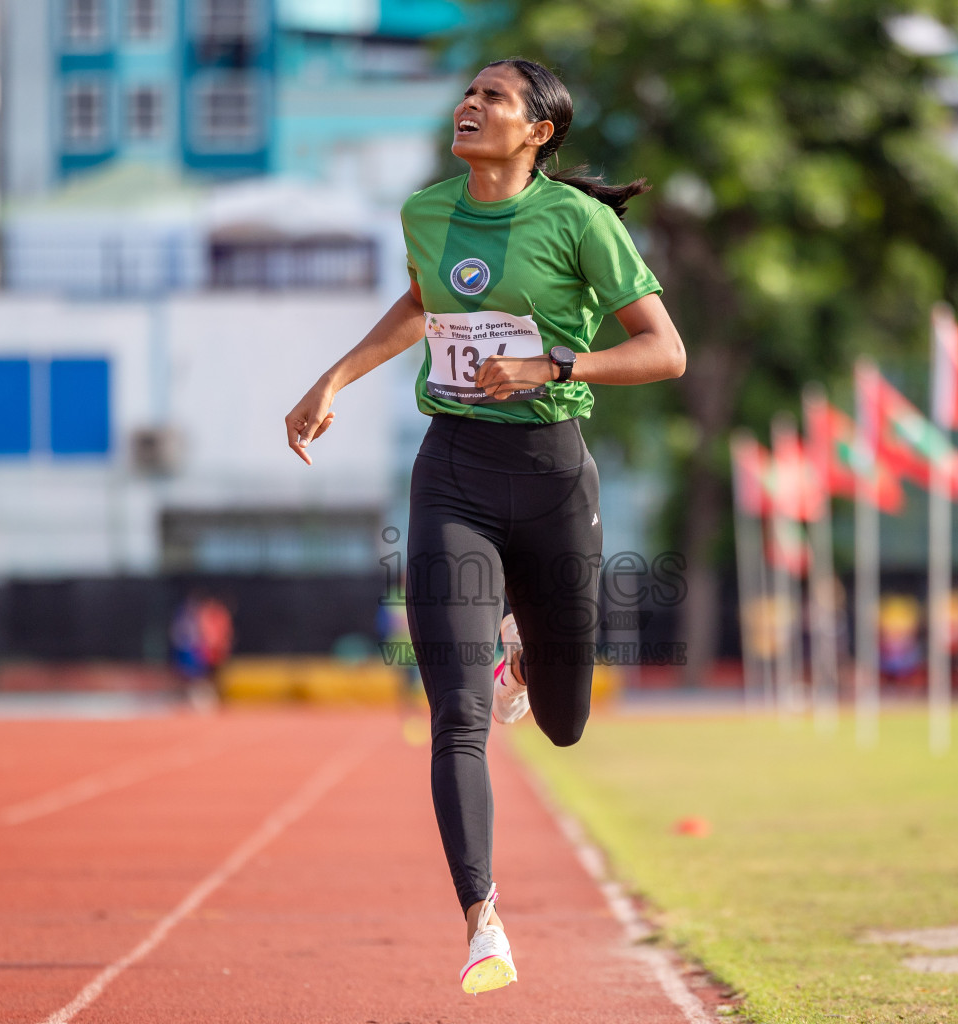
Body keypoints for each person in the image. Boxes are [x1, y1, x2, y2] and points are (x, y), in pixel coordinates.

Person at [285, 58, 685, 994]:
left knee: (565, 721)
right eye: (468, 93)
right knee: (456, 715)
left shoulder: (580, 223)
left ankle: (523, 666)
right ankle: (482, 919)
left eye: (494, 98)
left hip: (551, 479)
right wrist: (331, 381)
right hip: (453, 473)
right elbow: (423, 306)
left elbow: (663, 351)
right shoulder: (426, 212)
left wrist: (553, 367)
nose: (470, 106)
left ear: (539, 130)